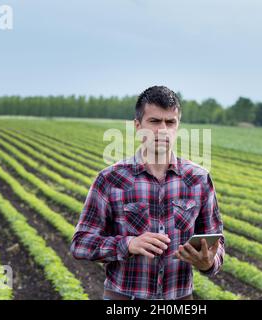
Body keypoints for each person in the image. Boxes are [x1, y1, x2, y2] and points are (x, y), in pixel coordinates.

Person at [70, 85, 225, 300]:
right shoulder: (110, 179)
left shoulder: (198, 179)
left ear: (177, 126)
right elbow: (80, 243)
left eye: (170, 122)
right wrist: (128, 244)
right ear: (137, 125)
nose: (163, 129)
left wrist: (208, 263)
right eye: (154, 121)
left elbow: (217, 243)